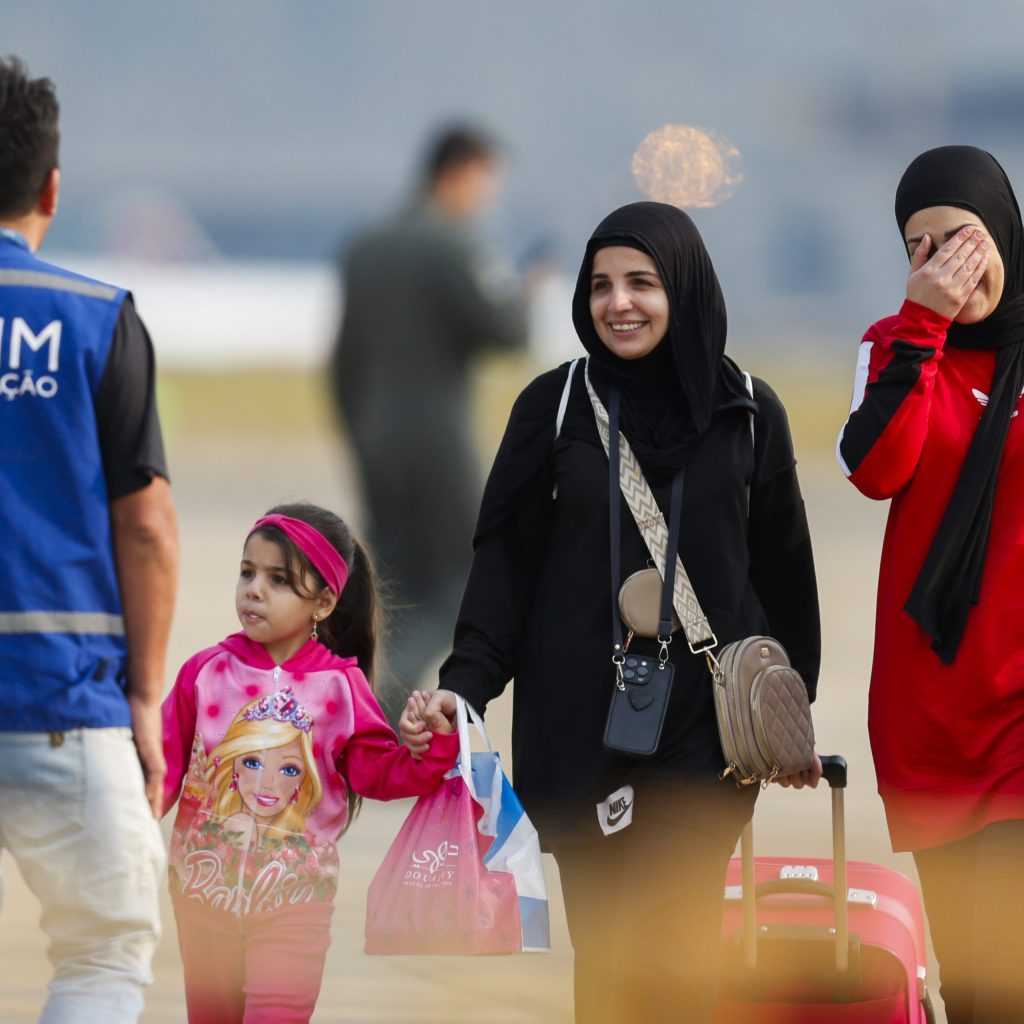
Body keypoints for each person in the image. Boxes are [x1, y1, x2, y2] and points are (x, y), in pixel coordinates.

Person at [401, 202, 822, 1022]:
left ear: (686, 290)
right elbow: (503, 567)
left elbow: (784, 579)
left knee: (679, 952)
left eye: (642, 282)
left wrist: (792, 714)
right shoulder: (553, 408)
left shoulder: (748, 412)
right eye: (600, 285)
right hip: (577, 735)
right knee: (607, 965)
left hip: (706, 738)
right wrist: (467, 685)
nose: (617, 303)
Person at [0, 57, 177, 1024]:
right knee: (103, 951)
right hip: (60, 697)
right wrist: (144, 696)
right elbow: (144, 523)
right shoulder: (94, 319)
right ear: (51, 188)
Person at [837, 145, 1024, 1023]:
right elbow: (876, 468)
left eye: (962, 238)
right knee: (983, 986)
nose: (945, 262)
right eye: (920, 247)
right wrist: (924, 325)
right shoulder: (893, 348)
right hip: (940, 718)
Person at [161, 502, 459, 1024]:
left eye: (278, 580)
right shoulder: (205, 673)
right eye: (247, 572)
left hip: (294, 905)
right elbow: (159, 769)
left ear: (323, 603)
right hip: (200, 898)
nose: (254, 589)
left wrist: (428, 745)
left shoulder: (340, 688)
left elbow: (379, 773)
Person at [328, 124, 528, 715]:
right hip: (439, 447)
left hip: (375, 439)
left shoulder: (365, 246)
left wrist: (359, 436)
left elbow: (341, 360)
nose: (487, 196)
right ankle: (383, 703)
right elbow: (506, 330)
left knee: (391, 589)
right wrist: (524, 292)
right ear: (460, 172)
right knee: (464, 581)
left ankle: (343, 705)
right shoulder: (452, 244)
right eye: (486, 181)